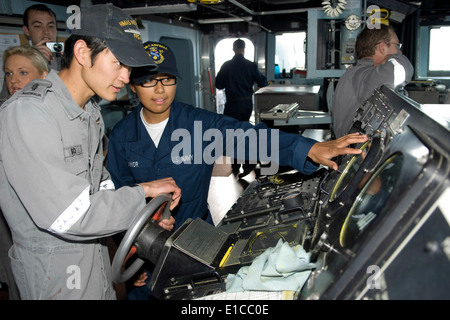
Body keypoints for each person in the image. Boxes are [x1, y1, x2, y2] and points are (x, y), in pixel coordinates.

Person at [106, 41, 368, 298]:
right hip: (143, 252)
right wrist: (129, 257)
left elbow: (248, 137)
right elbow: (118, 201)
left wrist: (310, 150)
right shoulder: (121, 136)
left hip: (195, 242)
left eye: (167, 79)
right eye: (149, 81)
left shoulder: (197, 124)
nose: (160, 89)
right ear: (132, 85)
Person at [0, 4, 181, 300]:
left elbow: (101, 186)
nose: (126, 77)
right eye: (118, 63)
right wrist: (141, 194)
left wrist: (144, 222)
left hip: (94, 263)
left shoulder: (90, 114)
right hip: (54, 276)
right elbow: (68, 215)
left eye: (129, 67)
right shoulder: (29, 113)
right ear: (83, 53)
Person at [0, 44, 49, 300]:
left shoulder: (54, 118)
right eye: (8, 74)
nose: (14, 80)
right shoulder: (6, 117)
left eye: (22, 72)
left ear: (43, 76)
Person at [332, 24, 414, 138]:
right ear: (382, 47)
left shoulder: (356, 73)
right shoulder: (363, 74)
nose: (399, 52)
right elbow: (399, 68)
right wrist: (398, 57)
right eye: (397, 45)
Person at [215, 38, 268, 177]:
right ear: (244, 49)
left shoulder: (226, 65)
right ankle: (248, 164)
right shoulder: (251, 65)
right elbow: (262, 83)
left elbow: (218, 85)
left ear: (233, 49)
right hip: (245, 104)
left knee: (232, 135)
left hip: (232, 104)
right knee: (246, 133)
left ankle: (235, 165)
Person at [22, 4, 61, 70]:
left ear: (56, 30)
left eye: (51, 26)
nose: (46, 31)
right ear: (27, 31)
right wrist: (33, 60)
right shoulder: (18, 61)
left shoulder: (67, 61)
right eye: (37, 26)